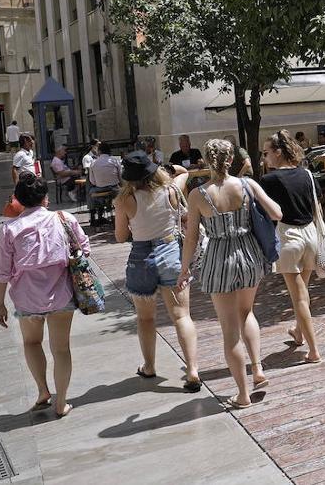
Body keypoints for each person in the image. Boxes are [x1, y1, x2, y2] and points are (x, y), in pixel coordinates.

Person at [177, 139, 282, 409]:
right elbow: (277, 213)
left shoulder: (198, 194)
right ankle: (257, 369)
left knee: (229, 330)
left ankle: (243, 394)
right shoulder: (247, 185)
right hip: (248, 255)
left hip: (219, 259)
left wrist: (185, 268)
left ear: (209, 161)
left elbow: (190, 239)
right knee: (246, 312)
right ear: (231, 158)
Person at [0, 174, 87, 418]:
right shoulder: (64, 218)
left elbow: (2, 271)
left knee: (32, 343)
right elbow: (84, 248)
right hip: (61, 295)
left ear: (18, 201)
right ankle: (62, 402)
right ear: (45, 197)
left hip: (27, 297)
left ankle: (43, 391)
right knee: (61, 349)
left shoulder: (9, 229)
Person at [113, 151, 201, 391]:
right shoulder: (172, 190)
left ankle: (150, 366)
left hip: (141, 257)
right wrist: (164, 167)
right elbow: (185, 172)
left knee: (145, 317)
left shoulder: (124, 199)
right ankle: (192, 370)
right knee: (181, 315)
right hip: (170, 250)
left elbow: (120, 236)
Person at [260, 130, 323, 364]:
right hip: (310, 235)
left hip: (288, 237)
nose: (264, 158)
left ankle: (314, 350)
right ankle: (299, 332)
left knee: (299, 298)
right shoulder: (306, 174)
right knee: (303, 292)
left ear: (278, 153)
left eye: (266, 153)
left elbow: (263, 213)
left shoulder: (269, 180)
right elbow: (318, 204)